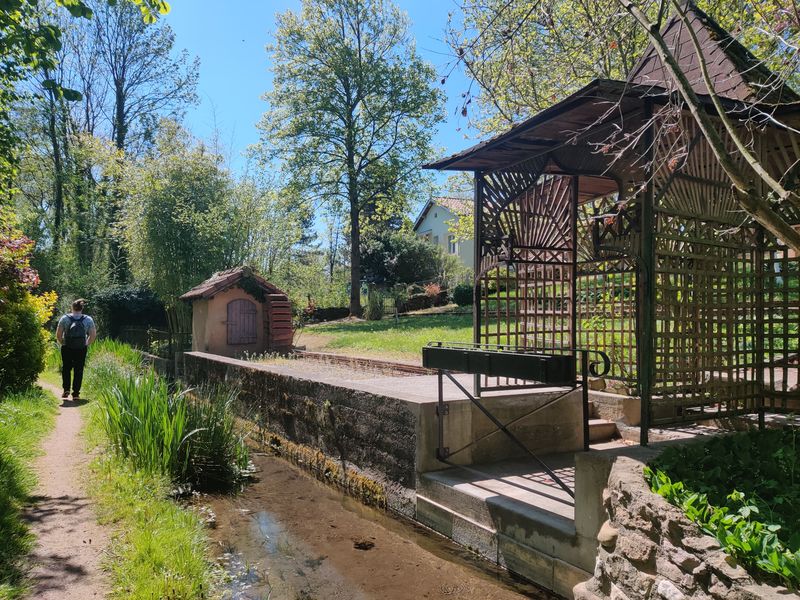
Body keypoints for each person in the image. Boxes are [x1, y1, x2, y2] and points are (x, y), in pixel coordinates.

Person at [55, 299, 97, 400]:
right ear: (82, 308)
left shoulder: (64, 318)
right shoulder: (88, 319)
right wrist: (86, 344)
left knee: (66, 369)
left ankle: (66, 390)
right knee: (79, 370)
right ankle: (76, 393)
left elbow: (58, 334)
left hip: (67, 347)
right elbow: (93, 335)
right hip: (81, 348)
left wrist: (63, 343)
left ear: (72, 308)